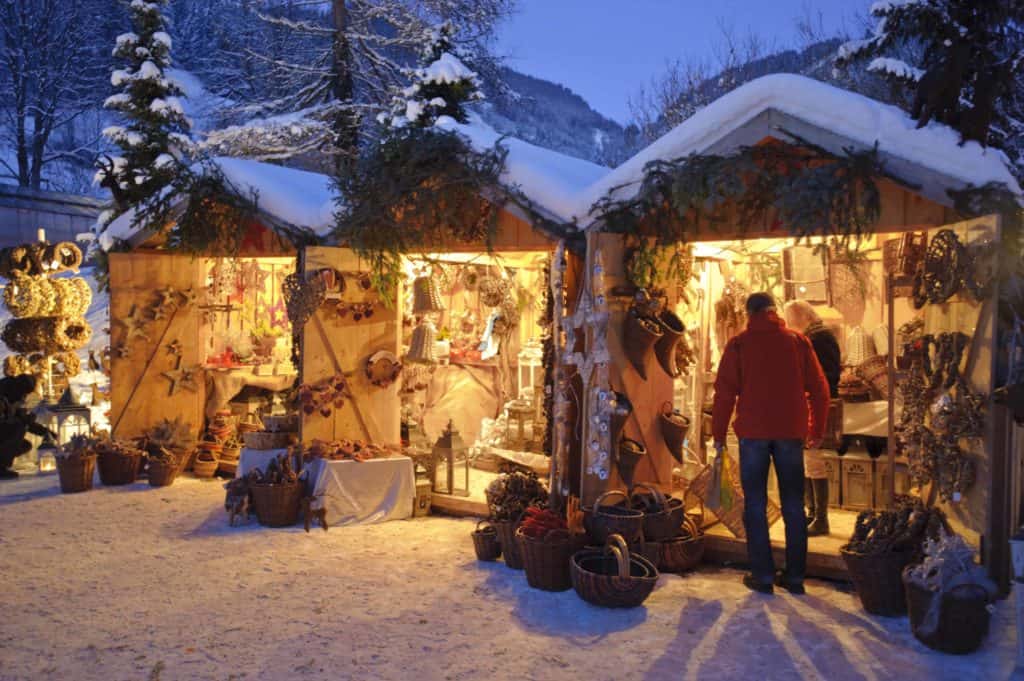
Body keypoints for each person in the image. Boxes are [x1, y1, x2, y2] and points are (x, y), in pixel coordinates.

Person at [712, 292, 830, 595]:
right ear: (774, 312)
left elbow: (724, 394)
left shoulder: (739, 344)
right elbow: (819, 388)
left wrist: (718, 436)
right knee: (794, 503)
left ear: (749, 314)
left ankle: (763, 575)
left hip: (753, 434)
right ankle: (795, 577)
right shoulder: (798, 342)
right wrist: (818, 427)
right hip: (791, 432)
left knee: (754, 503)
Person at [784, 300, 841, 536]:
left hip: (817, 403)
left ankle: (820, 518)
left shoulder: (818, 337)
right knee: (808, 459)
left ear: (800, 318)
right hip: (810, 401)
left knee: (814, 459)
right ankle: (812, 513)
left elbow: (824, 376)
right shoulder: (816, 336)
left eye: (791, 322)